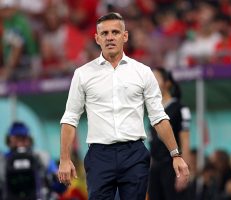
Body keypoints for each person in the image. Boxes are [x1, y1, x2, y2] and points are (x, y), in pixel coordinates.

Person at [58, 12, 190, 200]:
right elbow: (70, 118)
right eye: (104, 33)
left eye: (115, 32)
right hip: (99, 155)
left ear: (125, 36)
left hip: (134, 154)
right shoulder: (82, 74)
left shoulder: (143, 72)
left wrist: (175, 155)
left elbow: (158, 117)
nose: (110, 37)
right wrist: (64, 158)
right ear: (97, 38)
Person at [148, 68, 192, 200]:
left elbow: (185, 141)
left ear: (167, 83)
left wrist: (184, 171)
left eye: (156, 79)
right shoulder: (152, 109)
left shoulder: (180, 108)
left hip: (172, 165)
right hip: (155, 166)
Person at [2, 121, 65, 200]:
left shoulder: (41, 158)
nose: (20, 142)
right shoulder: (2, 161)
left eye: (23, 138)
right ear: (9, 140)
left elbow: (59, 186)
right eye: (17, 138)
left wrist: (60, 179)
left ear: (29, 140)